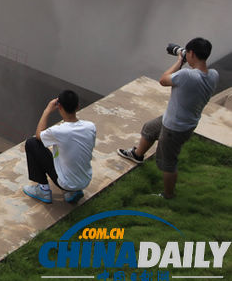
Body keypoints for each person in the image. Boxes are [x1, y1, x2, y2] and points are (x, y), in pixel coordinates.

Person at [117, 37, 219, 199]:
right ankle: (137, 155)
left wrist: (179, 61)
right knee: (149, 128)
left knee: (168, 162)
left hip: (175, 127)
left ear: (191, 53)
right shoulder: (213, 75)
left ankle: (168, 195)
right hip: (182, 120)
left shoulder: (187, 75)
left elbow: (163, 80)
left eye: (187, 52)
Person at [22, 89, 97, 204]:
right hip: (85, 180)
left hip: (66, 183)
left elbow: (38, 135)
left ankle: (44, 190)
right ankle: (73, 192)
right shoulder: (91, 126)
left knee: (32, 143)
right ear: (78, 106)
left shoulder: (58, 131)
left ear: (59, 107)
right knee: (68, 154)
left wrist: (47, 110)